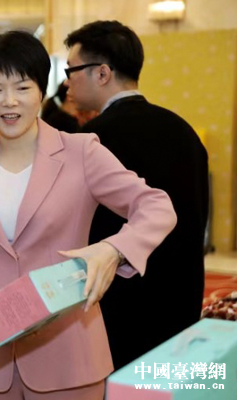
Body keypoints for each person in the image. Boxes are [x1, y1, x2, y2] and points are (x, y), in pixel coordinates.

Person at [0, 30, 177, 400]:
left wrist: (113, 250)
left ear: (42, 91)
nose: (9, 101)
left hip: (69, 353)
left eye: (22, 87)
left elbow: (156, 206)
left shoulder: (81, 152)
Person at [64, 20, 209, 370]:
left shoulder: (90, 142)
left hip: (116, 305)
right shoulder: (183, 130)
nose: (67, 81)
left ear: (102, 73)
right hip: (180, 294)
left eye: (72, 70)